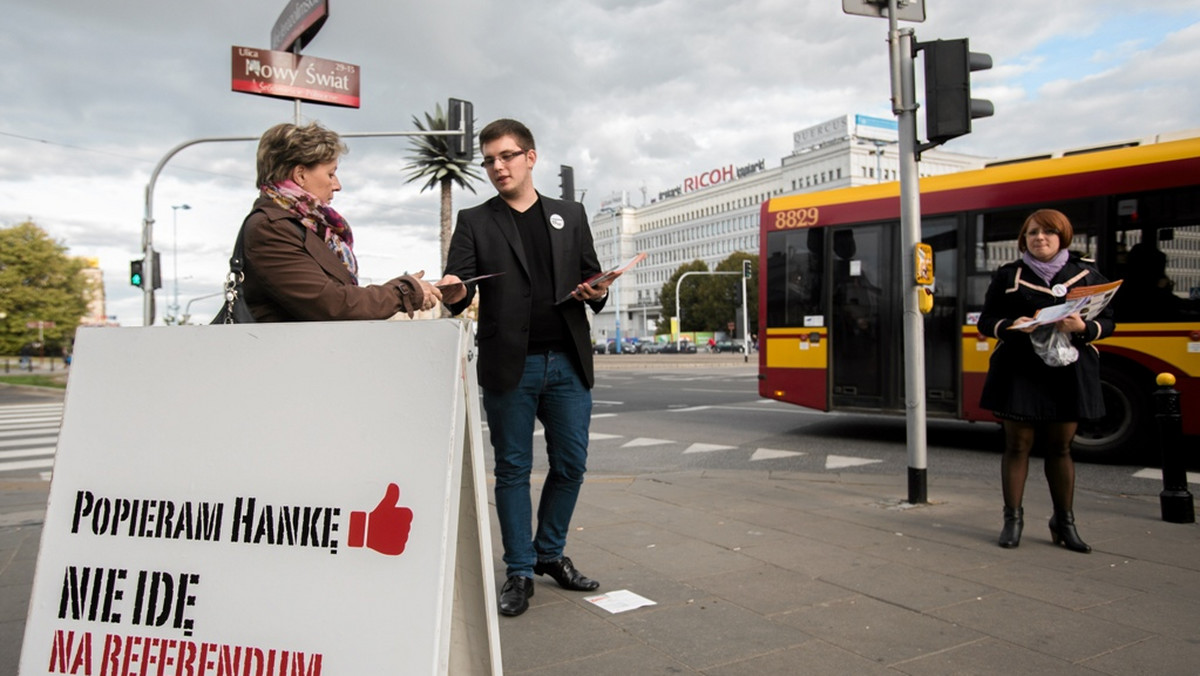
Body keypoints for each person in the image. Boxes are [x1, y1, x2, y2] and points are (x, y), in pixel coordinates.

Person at [437, 119, 615, 617]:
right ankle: (519, 571)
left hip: (567, 363)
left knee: (572, 465)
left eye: (507, 156)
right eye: (489, 160)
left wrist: (598, 289)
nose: (498, 166)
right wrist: (454, 289)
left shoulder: (570, 214)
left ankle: (549, 554)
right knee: (513, 470)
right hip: (509, 365)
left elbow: (591, 276)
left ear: (530, 158)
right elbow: (462, 287)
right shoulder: (476, 221)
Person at [977, 209, 1115, 553]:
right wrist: (1010, 325)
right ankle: (1013, 520)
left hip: (1068, 371)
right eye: (1033, 232)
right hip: (1020, 370)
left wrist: (1083, 328)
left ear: (1062, 237)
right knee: (1017, 446)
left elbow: (1109, 321)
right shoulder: (1009, 275)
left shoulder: (1086, 273)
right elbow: (986, 320)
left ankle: (1064, 522)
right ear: (1024, 239)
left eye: (1048, 232)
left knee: (1061, 448)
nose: (1040, 238)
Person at [231, 121, 441, 322]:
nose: (337, 185)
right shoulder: (270, 228)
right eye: (330, 174)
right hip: (283, 354)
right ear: (300, 175)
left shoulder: (308, 227)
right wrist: (402, 292)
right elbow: (331, 303)